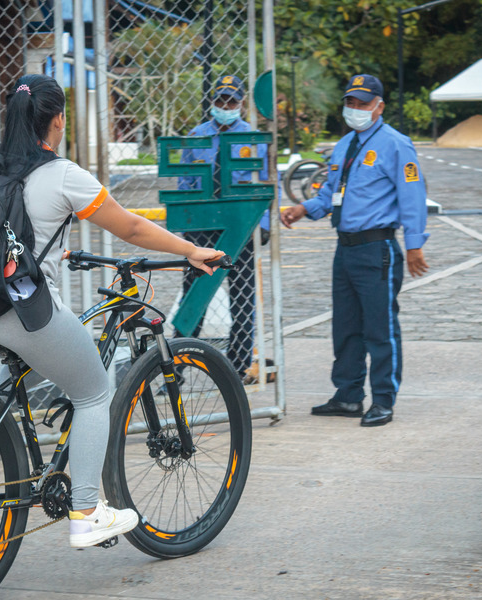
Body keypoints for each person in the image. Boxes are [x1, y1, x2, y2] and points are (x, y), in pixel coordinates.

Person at [0, 74, 224, 548]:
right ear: (58, 120)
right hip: (22, 314)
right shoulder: (62, 174)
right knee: (94, 390)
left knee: (48, 354)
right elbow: (132, 228)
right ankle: (87, 512)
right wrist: (190, 250)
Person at [280, 74, 429, 427]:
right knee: (346, 326)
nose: (356, 109)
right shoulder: (345, 144)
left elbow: (413, 197)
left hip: (377, 247)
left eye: (363, 103)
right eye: (350, 102)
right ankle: (347, 396)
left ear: (379, 106)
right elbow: (330, 190)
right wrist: (304, 209)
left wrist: (414, 245)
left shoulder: (396, 144)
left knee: (379, 327)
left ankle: (383, 400)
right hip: (345, 249)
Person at [176, 75, 276, 383]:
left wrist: (263, 224)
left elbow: (268, 181)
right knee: (194, 295)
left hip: (239, 226)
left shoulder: (253, 138)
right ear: (212, 102)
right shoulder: (196, 136)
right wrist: (188, 226)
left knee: (243, 296)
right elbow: (185, 182)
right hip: (204, 228)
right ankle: (175, 365)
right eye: (220, 100)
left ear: (242, 104)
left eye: (231, 101)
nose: (225, 106)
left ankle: (237, 366)